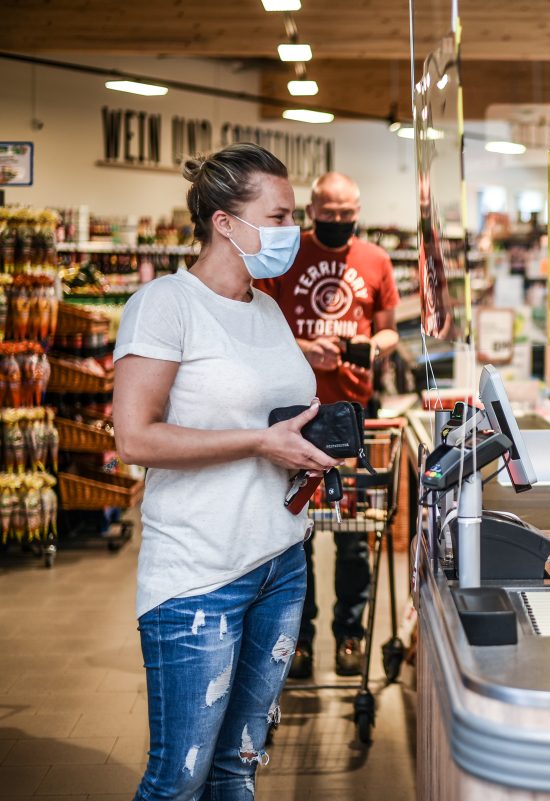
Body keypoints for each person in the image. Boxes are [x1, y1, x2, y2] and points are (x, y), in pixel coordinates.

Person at [113, 143, 339, 799]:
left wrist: (304, 447)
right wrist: (260, 444)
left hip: (280, 560)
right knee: (178, 778)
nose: (292, 231)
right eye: (280, 215)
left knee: (237, 765)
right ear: (224, 221)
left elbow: (272, 418)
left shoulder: (266, 309)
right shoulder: (164, 305)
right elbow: (135, 435)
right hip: (198, 576)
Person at [255, 172, 400, 678]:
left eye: (346, 214)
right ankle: (299, 639)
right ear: (312, 208)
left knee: (353, 536)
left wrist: (377, 347)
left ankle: (350, 636)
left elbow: (389, 330)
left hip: (356, 417)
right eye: (328, 213)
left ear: (358, 210)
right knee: (297, 532)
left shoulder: (377, 260)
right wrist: (303, 349)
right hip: (296, 414)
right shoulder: (286, 255)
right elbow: (259, 324)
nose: (337, 222)